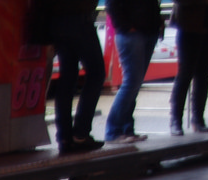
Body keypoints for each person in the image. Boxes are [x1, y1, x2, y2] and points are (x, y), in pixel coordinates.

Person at [45, 0, 106, 154]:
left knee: (67, 77)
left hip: (57, 23)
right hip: (80, 20)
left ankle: (64, 137)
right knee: (97, 73)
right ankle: (80, 133)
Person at [103, 0, 164, 143]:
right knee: (131, 83)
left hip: (148, 30)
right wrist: (125, 26)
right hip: (131, 33)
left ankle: (127, 129)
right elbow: (111, 5)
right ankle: (113, 131)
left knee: (135, 84)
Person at [169, 0, 208, 134]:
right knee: (185, 74)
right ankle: (175, 121)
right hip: (190, 24)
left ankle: (198, 120)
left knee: (203, 74)